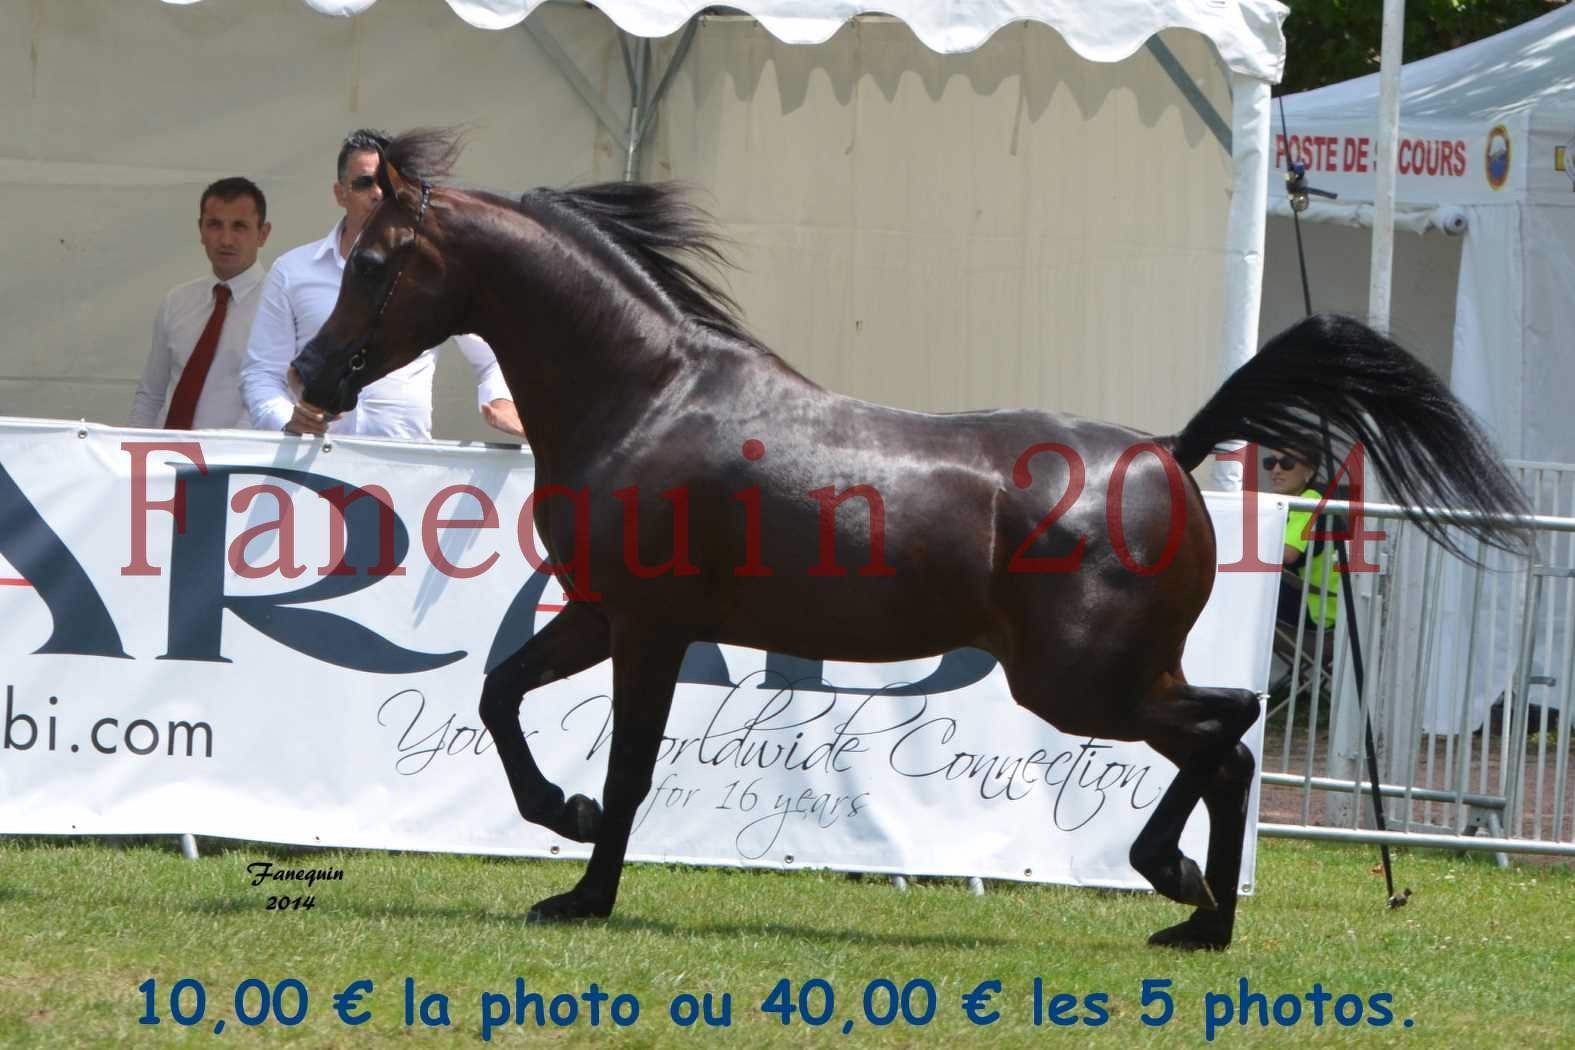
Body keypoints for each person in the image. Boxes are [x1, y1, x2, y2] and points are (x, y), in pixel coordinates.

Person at [241, 129, 523, 440]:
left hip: (401, 467)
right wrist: (288, 423)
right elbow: (262, 373)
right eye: (364, 183)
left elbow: (494, 354)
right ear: (340, 193)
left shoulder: (433, 272)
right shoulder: (292, 270)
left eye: (387, 185)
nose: (377, 194)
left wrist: (500, 399)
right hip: (311, 463)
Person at [131, 177, 272, 429]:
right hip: (161, 459)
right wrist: (133, 457)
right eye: (215, 225)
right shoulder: (177, 301)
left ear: (263, 234)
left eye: (239, 226)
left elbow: (275, 402)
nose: (226, 239)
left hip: (232, 461)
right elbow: (151, 395)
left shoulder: (279, 306)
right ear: (201, 230)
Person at [1264, 448, 1339, 630]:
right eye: (1270, 463)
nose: (1276, 470)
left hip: (1317, 612)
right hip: (1307, 603)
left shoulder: (1309, 501)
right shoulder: (1286, 505)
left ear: (1309, 472)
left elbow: (1288, 554)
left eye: (1287, 463)